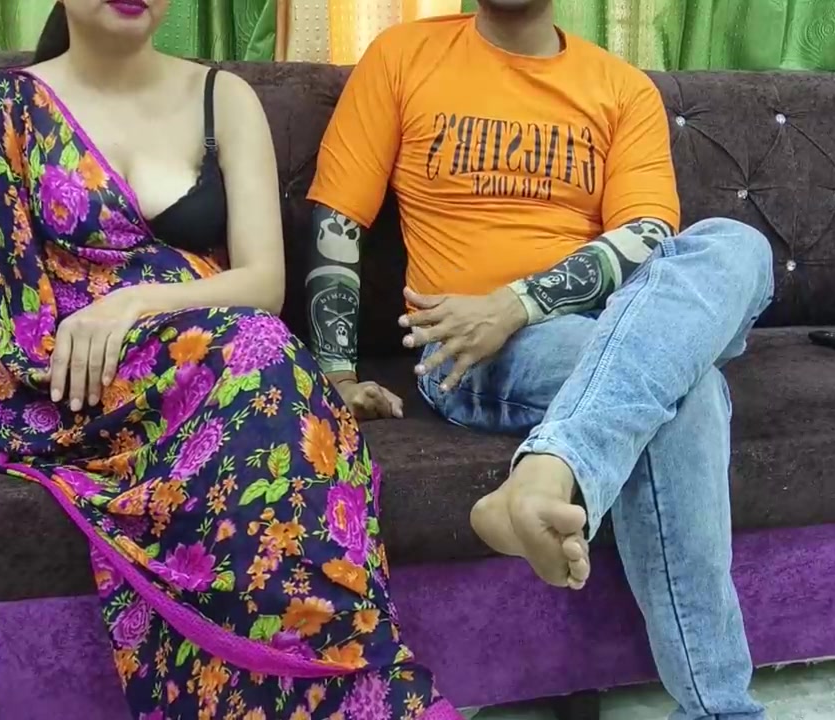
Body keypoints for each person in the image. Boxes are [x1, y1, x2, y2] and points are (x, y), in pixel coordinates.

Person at [0, 1, 458, 718]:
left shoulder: (222, 98)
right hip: (74, 393)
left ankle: (338, 679)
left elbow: (263, 283)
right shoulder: (4, 111)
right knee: (262, 357)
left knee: (264, 354)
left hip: (214, 368)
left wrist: (130, 304)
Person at [305, 1, 774, 719]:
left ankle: (546, 470)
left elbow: (649, 238)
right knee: (691, 387)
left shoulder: (621, 88)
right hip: (472, 350)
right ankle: (720, 709)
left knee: (739, 245)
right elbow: (338, 221)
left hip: (598, 323)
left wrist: (516, 303)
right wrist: (336, 374)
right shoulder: (402, 57)